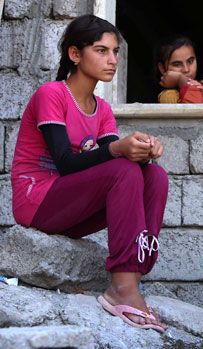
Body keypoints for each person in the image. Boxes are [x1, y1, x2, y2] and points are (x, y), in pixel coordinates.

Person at [11, 15, 168, 332]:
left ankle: (132, 275)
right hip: (38, 202)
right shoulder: (52, 95)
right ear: (75, 54)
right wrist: (119, 151)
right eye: (101, 50)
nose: (112, 60)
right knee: (123, 168)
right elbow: (67, 162)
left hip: (70, 206)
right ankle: (121, 286)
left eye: (115, 52)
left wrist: (144, 150)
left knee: (154, 176)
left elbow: (118, 162)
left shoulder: (103, 110)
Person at [156, 35, 203, 103]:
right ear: (162, 68)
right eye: (177, 64)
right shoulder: (167, 96)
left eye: (190, 61)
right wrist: (180, 79)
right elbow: (197, 107)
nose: (186, 70)